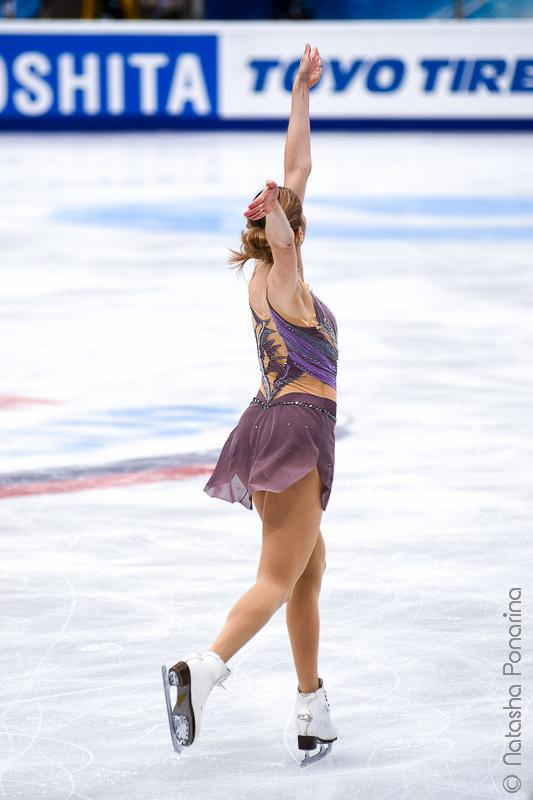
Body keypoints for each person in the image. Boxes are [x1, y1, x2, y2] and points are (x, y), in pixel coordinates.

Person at [162, 43, 339, 767]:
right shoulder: (284, 277)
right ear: (283, 232)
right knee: (277, 575)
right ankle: (199, 671)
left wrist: (300, 93)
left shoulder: (271, 277)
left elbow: (296, 170)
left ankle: (310, 709)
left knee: (306, 571)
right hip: (293, 426)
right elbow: (287, 199)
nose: (298, 224)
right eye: (290, 223)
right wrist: (277, 214)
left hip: (275, 423)